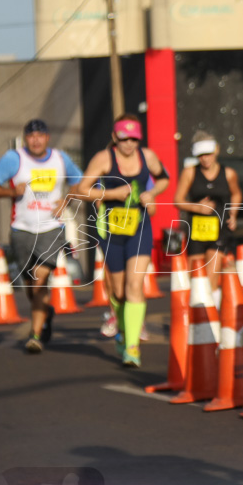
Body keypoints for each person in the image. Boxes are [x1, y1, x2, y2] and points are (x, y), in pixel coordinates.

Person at [76, 115, 169, 367]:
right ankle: (122, 328)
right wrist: (111, 193)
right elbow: (80, 189)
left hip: (139, 227)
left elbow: (164, 178)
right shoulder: (104, 159)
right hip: (110, 229)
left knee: (135, 286)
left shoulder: (147, 157)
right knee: (118, 291)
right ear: (115, 137)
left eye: (134, 139)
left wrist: (151, 193)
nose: (129, 143)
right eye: (124, 138)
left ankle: (132, 347)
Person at [0, 118, 82, 354]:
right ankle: (46, 313)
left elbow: (80, 181)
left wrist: (66, 200)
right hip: (22, 230)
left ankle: (35, 335)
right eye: (31, 135)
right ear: (25, 138)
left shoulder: (60, 159)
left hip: (51, 228)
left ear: (48, 137)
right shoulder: (13, 159)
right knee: (30, 287)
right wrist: (10, 191)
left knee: (40, 280)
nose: (36, 140)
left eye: (40, 135)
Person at [173, 132, 242, 303]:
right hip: (196, 230)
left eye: (208, 154)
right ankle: (197, 314)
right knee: (195, 277)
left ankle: (213, 316)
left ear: (216, 150)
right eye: (201, 155)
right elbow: (177, 200)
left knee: (211, 277)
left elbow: (236, 194)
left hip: (219, 229)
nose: (205, 159)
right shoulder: (190, 173)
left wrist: (233, 213)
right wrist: (197, 207)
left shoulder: (228, 173)